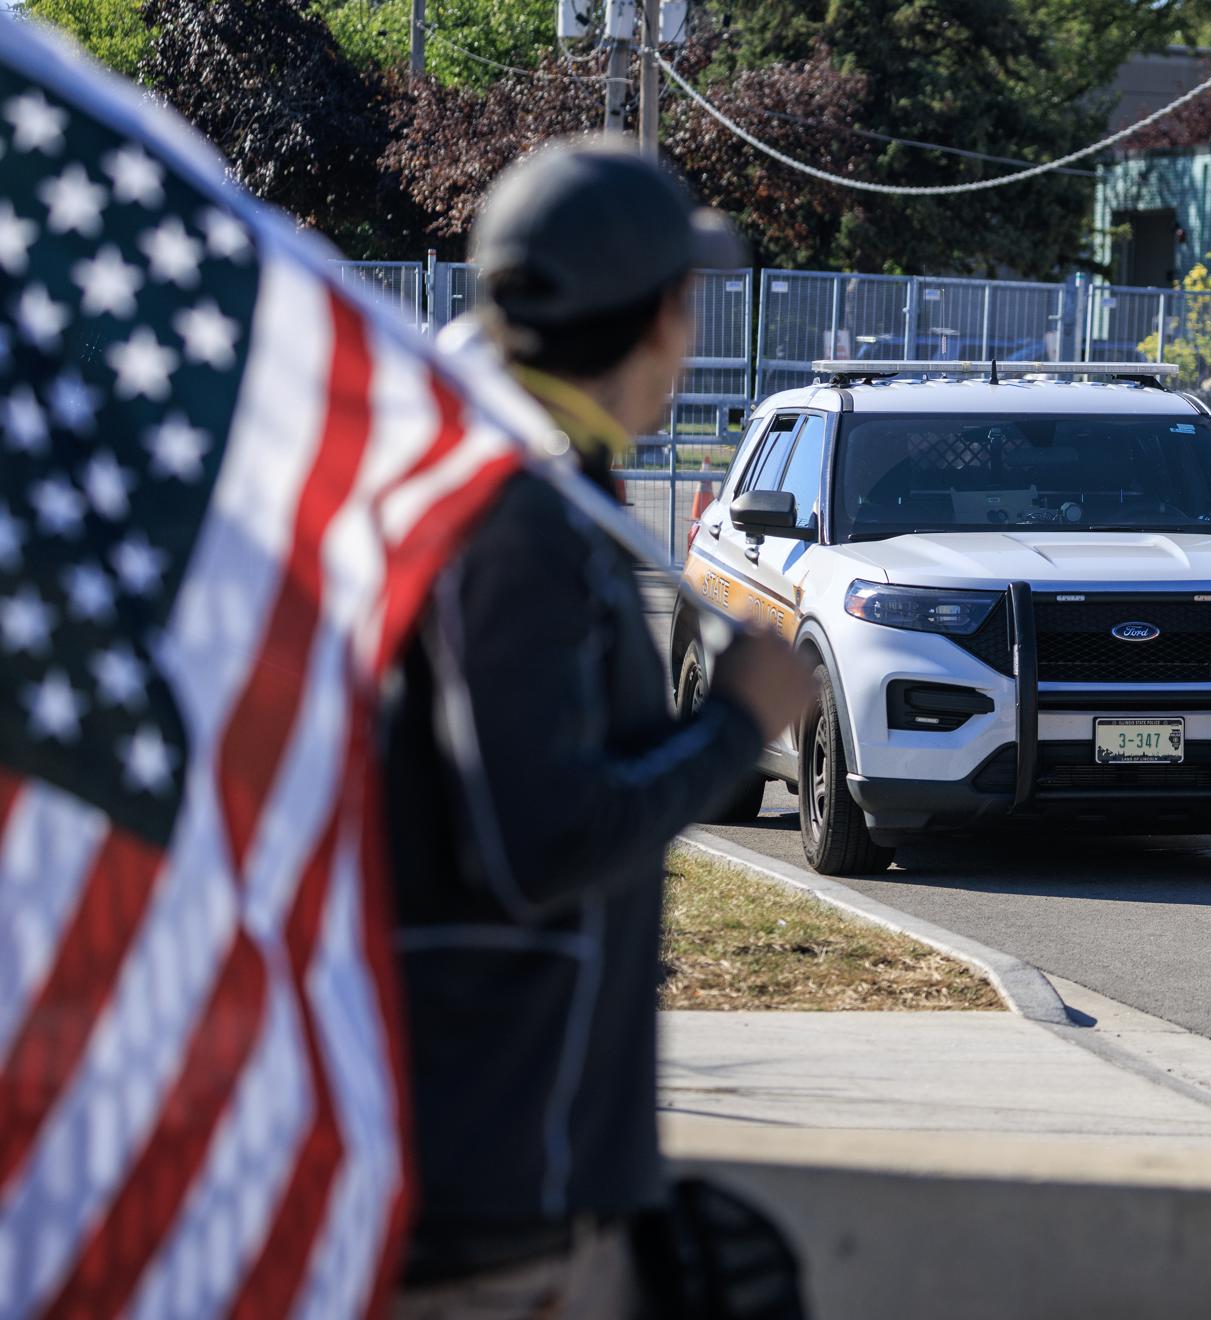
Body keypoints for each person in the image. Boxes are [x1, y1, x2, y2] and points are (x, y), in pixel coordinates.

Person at [382, 139, 815, 1315]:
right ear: (666, 316)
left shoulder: (519, 490)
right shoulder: (514, 522)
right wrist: (739, 725)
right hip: (492, 1207)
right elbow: (544, 842)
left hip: (512, 1173)